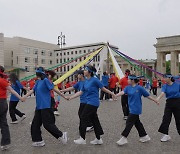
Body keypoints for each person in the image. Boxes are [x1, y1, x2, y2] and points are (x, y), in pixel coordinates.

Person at [67, 65, 116, 145]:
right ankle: (98, 139)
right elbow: (81, 92)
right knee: (94, 120)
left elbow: (103, 88)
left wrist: (112, 94)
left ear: (90, 72)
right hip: (89, 102)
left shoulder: (95, 80)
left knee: (83, 116)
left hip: (93, 103)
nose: (84, 71)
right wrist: (71, 97)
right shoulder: (86, 81)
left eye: (86, 70)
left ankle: (82, 138)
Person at [22, 67, 68, 147]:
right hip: (39, 107)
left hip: (46, 106)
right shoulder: (38, 82)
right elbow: (32, 90)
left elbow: (54, 89)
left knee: (47, 125)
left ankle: (61, 135)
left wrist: (64, 96)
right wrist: (24, 97)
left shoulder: (46, 80)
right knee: (35, 124)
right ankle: (38, 140)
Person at [116, 75, 159, 145]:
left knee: (129, 122)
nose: (127, 80)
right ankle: (144, 136)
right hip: (131, 108)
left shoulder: (139, 88)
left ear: (132, 80)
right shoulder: (128, 88)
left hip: (136, 108)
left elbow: (147, 95)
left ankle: (124, 138)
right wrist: (115, 95)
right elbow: (122, 92)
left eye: (129, 79)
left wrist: (155, 100)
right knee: (137, 123)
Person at [0, 66, 23, 151]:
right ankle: (5, 143)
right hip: (3, 103)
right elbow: (11, 90)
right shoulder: (3, 81)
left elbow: (14, 90)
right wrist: (21, 98)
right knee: (3, 123)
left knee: (3, 122)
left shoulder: (3, 81)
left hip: (2, 102)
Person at [156, 74, 180, 142]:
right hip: (169, 103)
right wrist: (158, 98)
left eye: (165, 78)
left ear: (169, 78)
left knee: (178, 119)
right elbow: (163, 93)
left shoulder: (177, 85)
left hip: (178, 102)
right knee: (166, 118)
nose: (164, 79)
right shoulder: (165, 86)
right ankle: (165, 135)